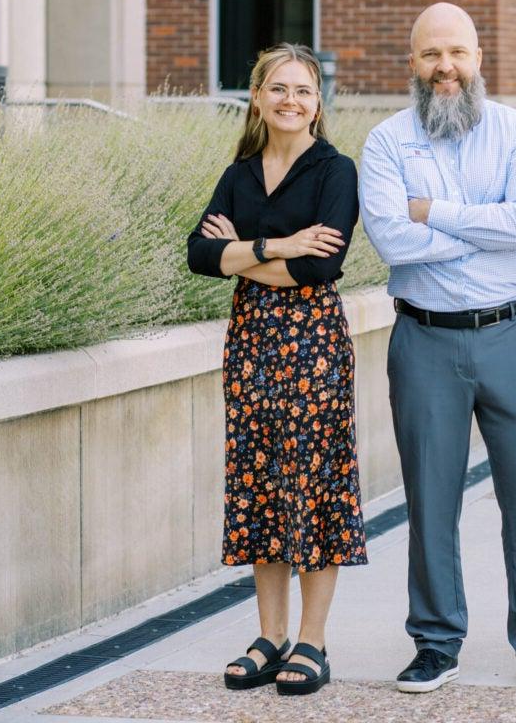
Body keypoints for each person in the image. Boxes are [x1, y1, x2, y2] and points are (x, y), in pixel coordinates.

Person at [358, 3, 516, 693]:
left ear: (479, 57)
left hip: (513, 333)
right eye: (431, 55)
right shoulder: (386, 143)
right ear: (413, 64)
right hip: (424, 340)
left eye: (456, 53)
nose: (445, 68)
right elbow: (393, 241)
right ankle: (435, 640)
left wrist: (436, 215)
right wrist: (483, 230)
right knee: (430, 498)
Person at [187, 43, 365, 696]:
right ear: (258, 97)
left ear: (318, 103)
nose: (291, 100)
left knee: (313, 484)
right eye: (279, 88)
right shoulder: (239, 174)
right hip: (251, 342)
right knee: (260, 483)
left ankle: (313, 643)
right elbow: (199, 254)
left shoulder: (335, 171)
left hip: (312, 340)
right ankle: (270, 635)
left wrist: (243, 256)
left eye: (304, 90)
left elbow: (322, 265)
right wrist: (276, 246)